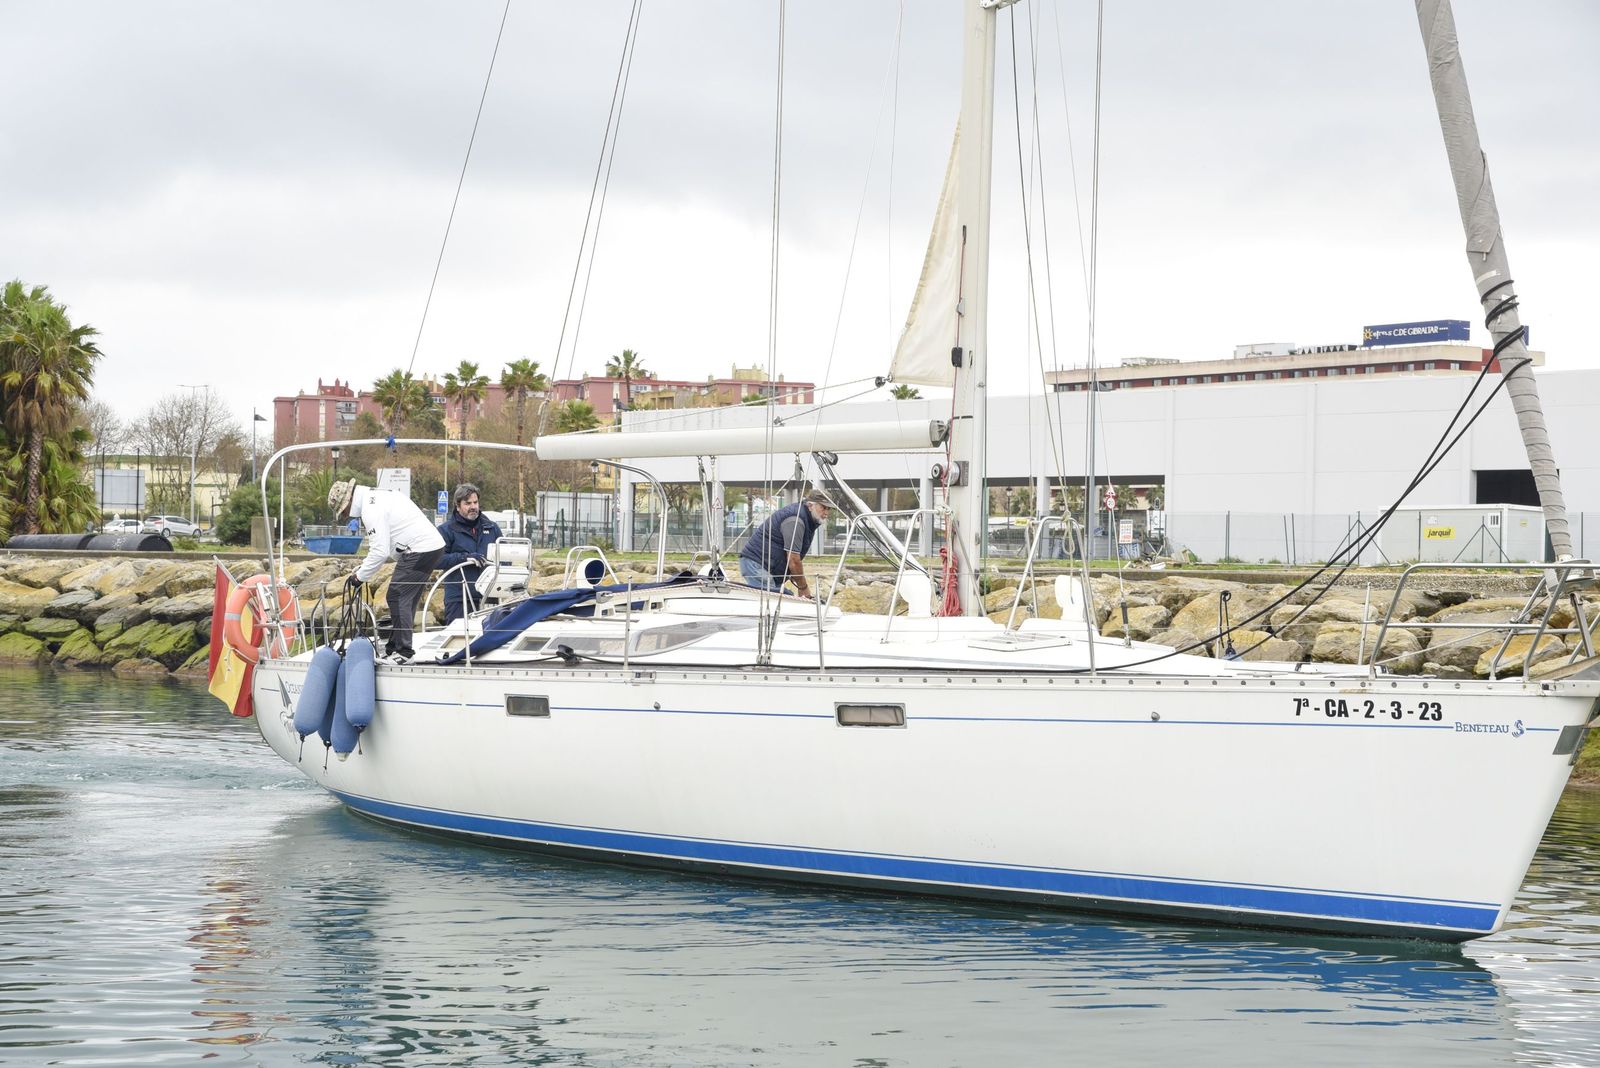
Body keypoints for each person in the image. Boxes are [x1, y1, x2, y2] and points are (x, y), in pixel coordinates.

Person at [330, 478, 446, 664]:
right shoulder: (377, 496)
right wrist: (365, 568)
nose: (345, 515)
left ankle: (404, 653)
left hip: (419, 549)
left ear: (348, 501)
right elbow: (384, 545)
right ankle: (394, 648)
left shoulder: (370, 509)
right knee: (406, 599)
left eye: (343, 511)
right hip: (432, 547)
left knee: (397, 595)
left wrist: (360, 577)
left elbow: (380, 551)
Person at [737, 489, 831, 597]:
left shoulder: (808, 520)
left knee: (779, 599)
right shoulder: (796, 520)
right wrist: (803, 588)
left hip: (764, 566)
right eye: (823, 507)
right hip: (757, 564)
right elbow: (794, 560)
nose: (826, 512)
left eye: (828, 509)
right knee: (777, 599)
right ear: (810, 506)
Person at [436, 482, 503, 624]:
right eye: (468, 503)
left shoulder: (492, 528)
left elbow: (505, 557)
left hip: (490, 596)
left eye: (475, 502)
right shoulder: (445, 530)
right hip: (459, 598)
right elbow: (436, 560)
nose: (473, 507)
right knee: (458, 640)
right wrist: (465, 558)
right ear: (458, 505)